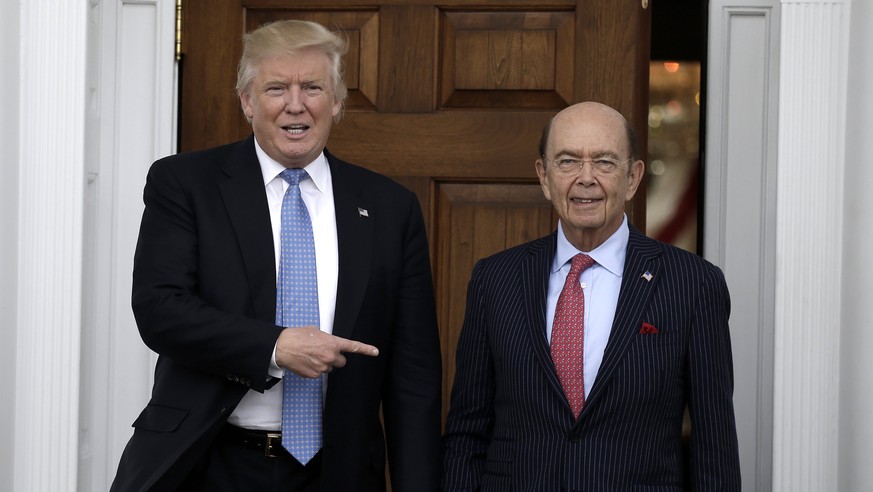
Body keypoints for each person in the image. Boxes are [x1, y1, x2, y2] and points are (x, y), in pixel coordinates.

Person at [111, 19, 442, 492]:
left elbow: (414, 375)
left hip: (340, 471)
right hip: (212, 464)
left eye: (312, 87)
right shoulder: (185, 185)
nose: (295, 104)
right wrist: (274, 346)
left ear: (337, 101)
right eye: (275, 88)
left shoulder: (390, 207)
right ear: (247, 102)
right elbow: (160, 309)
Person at [442, 101, 741, 490]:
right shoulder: (495, 279)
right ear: (544, 176)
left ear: (632, 177)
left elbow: (713, 446)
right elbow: (468, 431)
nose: (586, 178)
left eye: (604, 162)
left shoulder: (693, 284)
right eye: (567, 162)